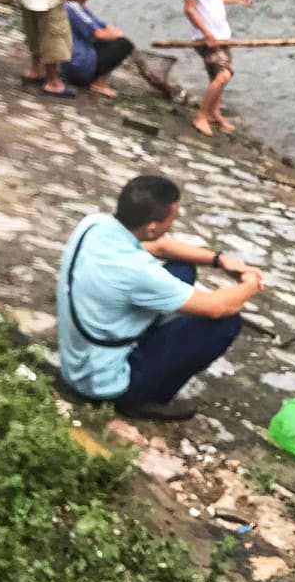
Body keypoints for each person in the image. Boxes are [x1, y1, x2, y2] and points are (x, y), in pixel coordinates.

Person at [57, 174, 264, 421]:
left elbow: (161, 247)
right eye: (172, 219)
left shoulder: (95, 224)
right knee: (226, 324)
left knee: (183, 268)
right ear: (152, 227)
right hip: (102, 384)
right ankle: (143, 399)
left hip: (79, 360)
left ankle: (145, 352)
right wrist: (251, 283)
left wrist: (219, 260)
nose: (173, 225)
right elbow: (217, 307)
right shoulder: (138, 271)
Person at [183, 0, 254, 136]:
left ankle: (214, 113)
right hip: (207, 38)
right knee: (223, 75)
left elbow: (211, 0)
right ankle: (201, 116)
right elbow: (189, 8)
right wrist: (207, 35)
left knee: (217, 75)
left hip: (221, 34)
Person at [61, 0, 135, 97]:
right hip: (77, 68)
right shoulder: (71, 6)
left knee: (116, 40)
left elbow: (104, 26)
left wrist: (115, 33)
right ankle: (98, 83)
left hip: (71, 68)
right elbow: (100, 34)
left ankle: (96, 79)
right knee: (124, 44)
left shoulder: (81, 8)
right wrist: (121, 38)